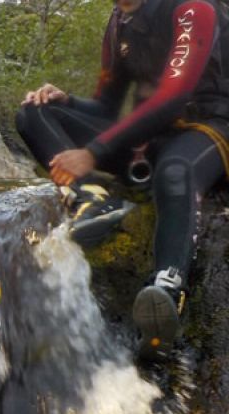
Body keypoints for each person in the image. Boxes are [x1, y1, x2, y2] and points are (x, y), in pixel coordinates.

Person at [15, 0, 229, 361]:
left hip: (211, 127)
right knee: (34, 114)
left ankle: (167, 288)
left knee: (175, 172)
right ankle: (92, 198)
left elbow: (173, 96)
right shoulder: (118, 25)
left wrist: (93, 152)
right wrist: (67, 100)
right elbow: (106, 107)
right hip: (152, 136)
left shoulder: (193, 8)